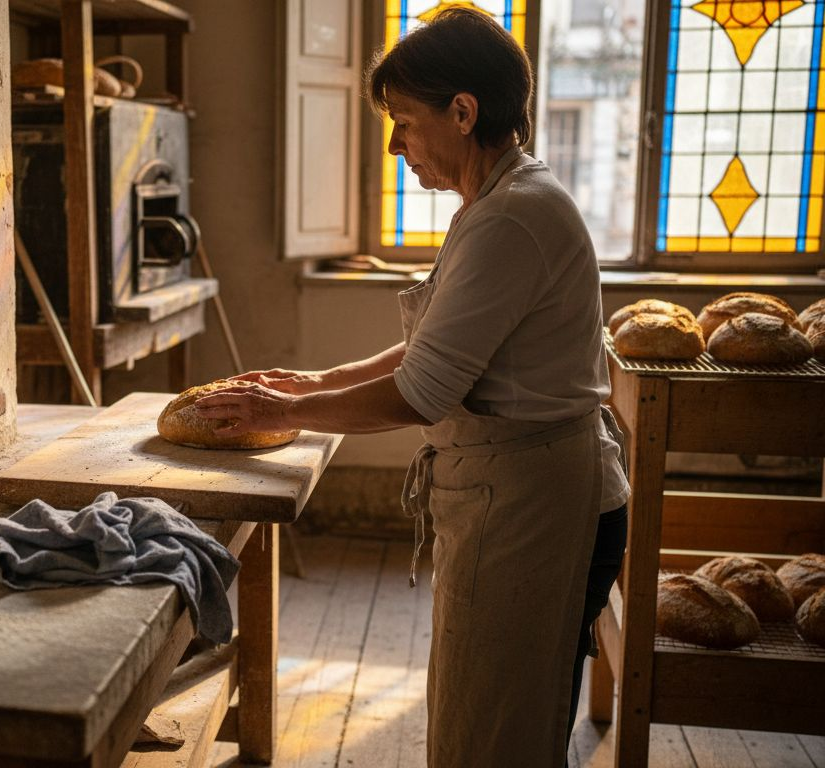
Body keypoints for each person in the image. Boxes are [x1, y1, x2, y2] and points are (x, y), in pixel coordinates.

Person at [192, 7, 630, 767]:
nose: (394, 144)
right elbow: (437, 350)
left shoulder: (513, 218)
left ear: (463, 112)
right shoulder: (495, 201)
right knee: (481, 723)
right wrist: (318, 380)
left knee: (501, 741)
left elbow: (420, 392)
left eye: (402, 120)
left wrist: (289, 410)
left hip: (540, 508)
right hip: (519, 494)